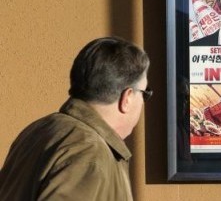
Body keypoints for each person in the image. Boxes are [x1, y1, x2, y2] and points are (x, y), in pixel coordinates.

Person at [0, 37, 151, 200]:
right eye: (145, 93)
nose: (143, 101)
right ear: (127, 97)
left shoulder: (41, 129)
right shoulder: (89, 152)